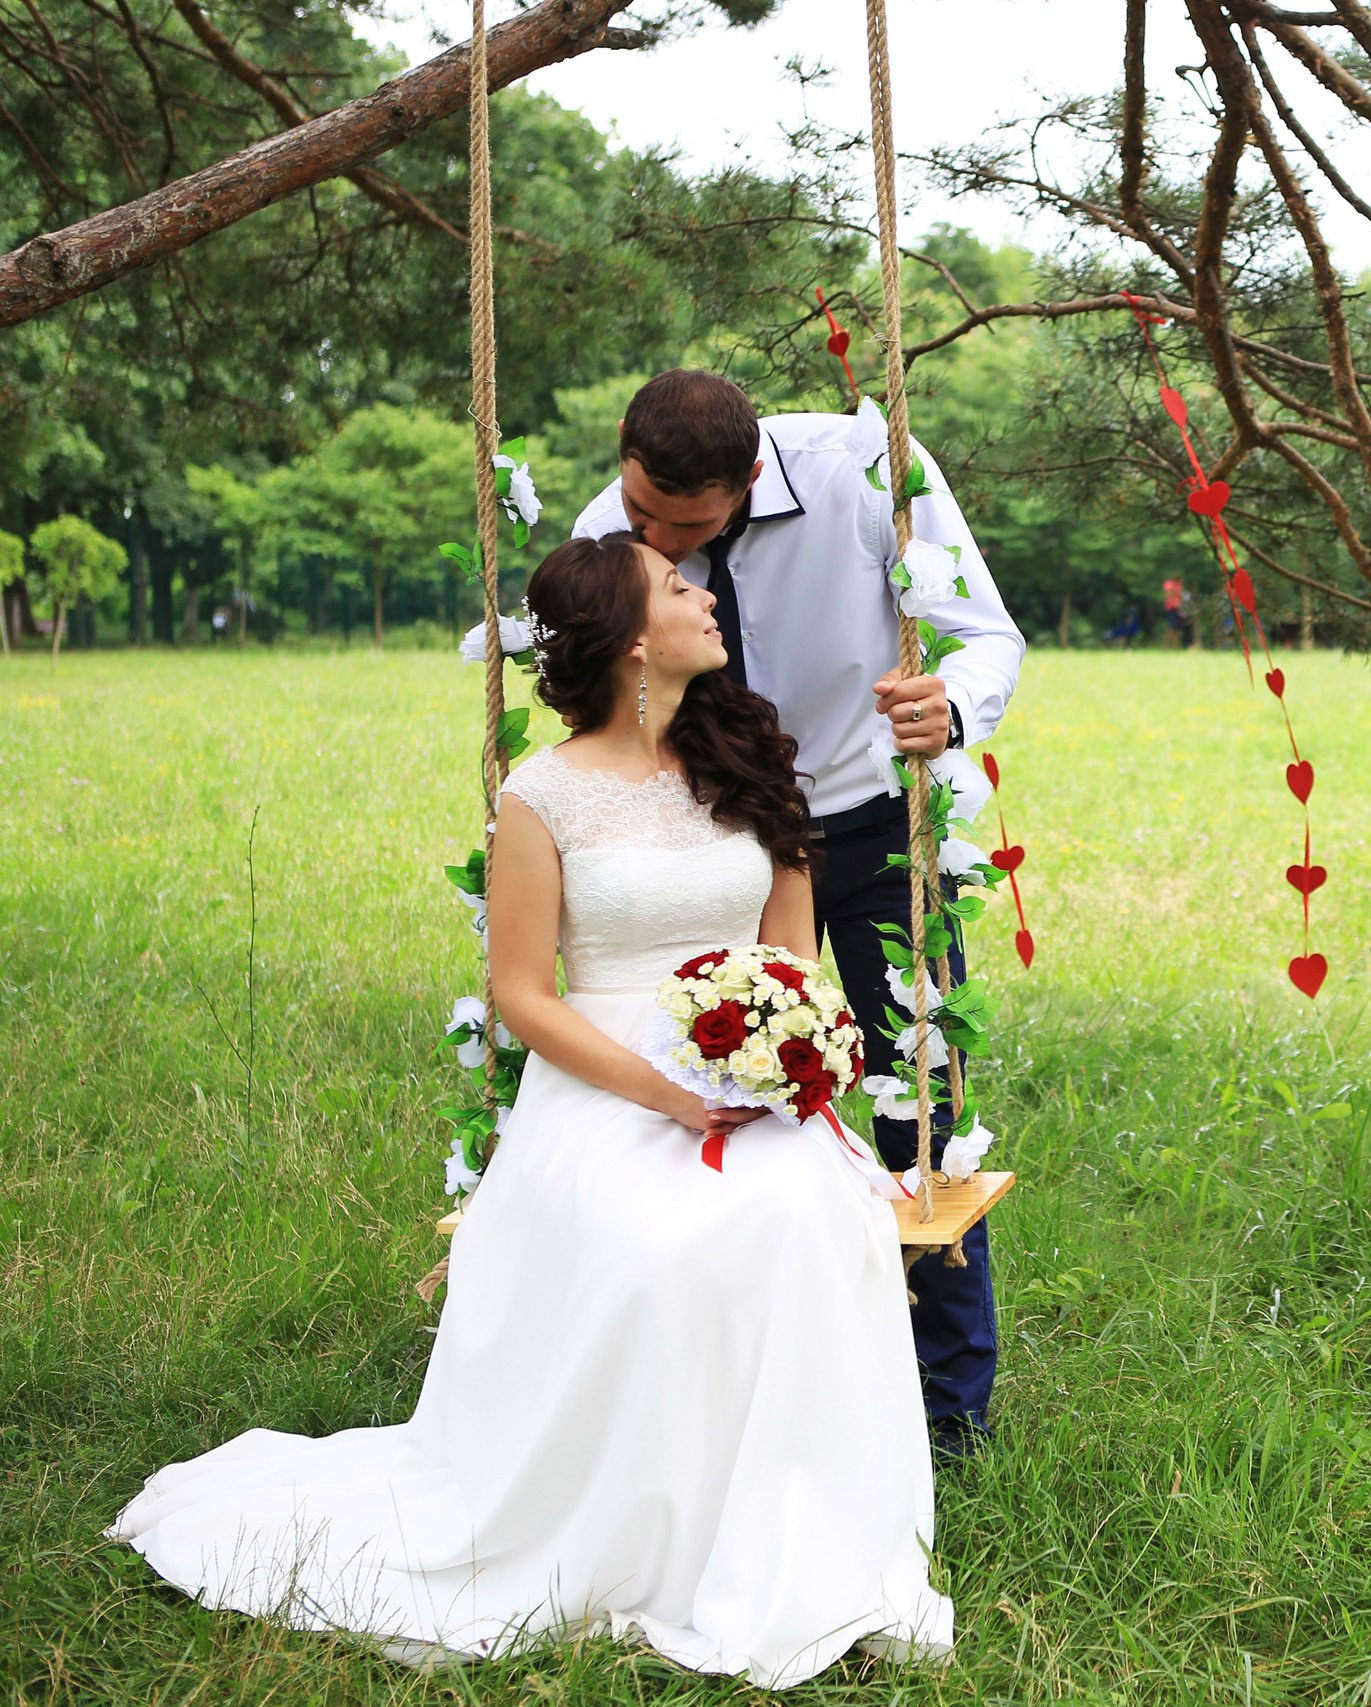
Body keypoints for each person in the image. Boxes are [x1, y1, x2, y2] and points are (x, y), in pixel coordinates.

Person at [113, 533, 951, 1686]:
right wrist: (661, 1089)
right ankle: (629, 1531)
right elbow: (519, 992)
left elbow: (791, 957)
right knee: (658, 1249)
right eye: (676, 587)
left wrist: (796, 1053)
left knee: (810, 1225)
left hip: (754, 1082)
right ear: (626, 637)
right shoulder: (542, 792)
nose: (705, 596)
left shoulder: (754, 764)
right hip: (606, 1079)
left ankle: (789, 1526)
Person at [570, 371, 1024, 1455]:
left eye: (687, 528)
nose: (658, 547)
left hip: (864, 825)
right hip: (713, 840)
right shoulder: (608, 528)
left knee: (917, 1102)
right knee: (716, 1097)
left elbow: (984, 632)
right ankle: (727, 1384)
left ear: (748, 481)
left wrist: (949, 704)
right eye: (642, 516)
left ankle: (945, 1407)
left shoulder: (869, 476)